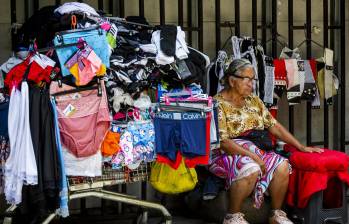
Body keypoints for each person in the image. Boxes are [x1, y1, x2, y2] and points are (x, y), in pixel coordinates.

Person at [208, 59, 323, 224]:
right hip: (226, 153)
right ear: (232, 81)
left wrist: (301, 146)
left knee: (282, 165)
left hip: (255, 150)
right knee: (250, 167)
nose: (251, 84)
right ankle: (232, 216)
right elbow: (224, 142)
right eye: (247, 79)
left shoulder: (254, 101)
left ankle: (276, 214)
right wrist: (253, 156)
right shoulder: (217, 104)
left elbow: (274, 126)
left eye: (253, 79)